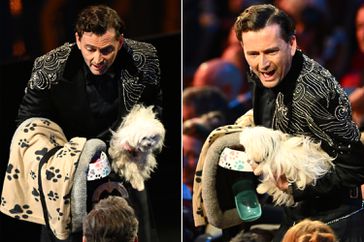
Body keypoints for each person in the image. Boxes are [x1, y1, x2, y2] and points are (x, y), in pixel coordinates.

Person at [14, 4, 162, 242]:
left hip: (123, 165)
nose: (97, 59)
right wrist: (63, 160)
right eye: (90, 49)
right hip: (69, 172)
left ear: (120, 42)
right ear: (77, 39)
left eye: (106, 50)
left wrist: (141, 136)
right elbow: (29, 124)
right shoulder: (49, 67)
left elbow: (153, 106)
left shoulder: (143, 58)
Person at [233, 3, 364, 241]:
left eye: (271, 51)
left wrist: (294, 187)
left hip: (334, 223)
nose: (262, 64)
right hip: (293, 213)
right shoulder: (261, 71)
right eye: (253, 54)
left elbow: (355, 168)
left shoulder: (316, 94)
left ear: (292, 44)